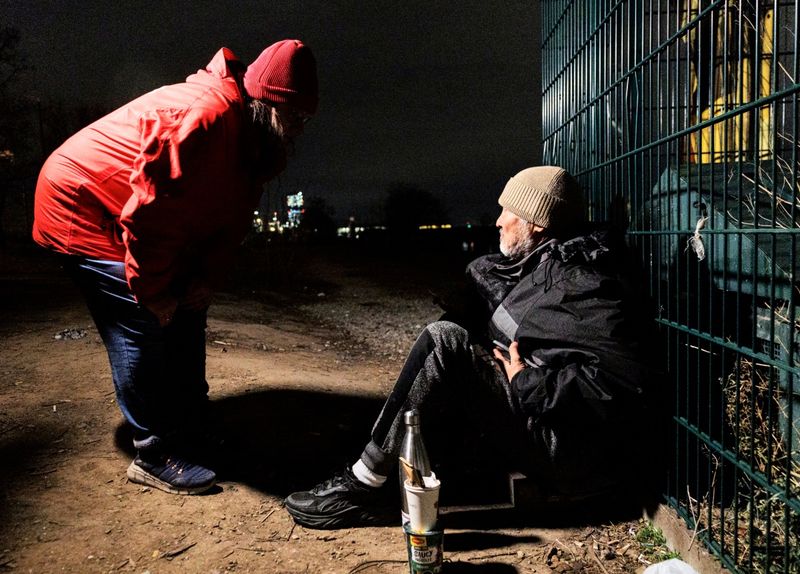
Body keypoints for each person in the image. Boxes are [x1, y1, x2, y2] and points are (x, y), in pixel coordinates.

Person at [284, 165, 660, 529]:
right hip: (547, 429)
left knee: (443, 341)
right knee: (450, 345)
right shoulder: (545, 266)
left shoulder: (583, 284)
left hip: (571, 458)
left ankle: (361, 487)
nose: (497, 220)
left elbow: (622, 384)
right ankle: (388, 472)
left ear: (538, 223)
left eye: (507, 211)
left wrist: (527, 382)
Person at [32, 39, 318, 495]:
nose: (300, 130)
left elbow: (230, 219)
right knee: (140, 319)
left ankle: (192, 426)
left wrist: (205, 280)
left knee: (188, 307)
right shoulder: (206, 119)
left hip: (130, 211)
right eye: (296, 117)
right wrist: (152, 290)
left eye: (307, 120)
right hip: (81, 203)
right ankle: (153, 450)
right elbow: (153, 214)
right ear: (267, 101)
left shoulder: (255, 141)